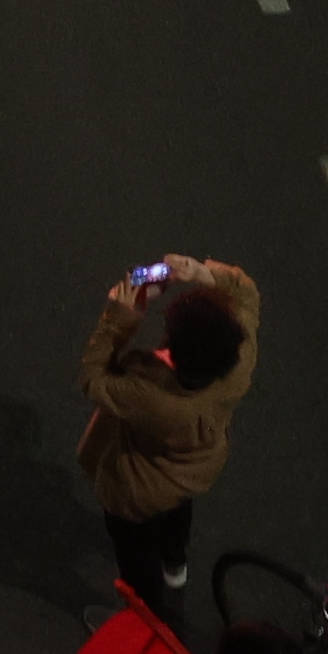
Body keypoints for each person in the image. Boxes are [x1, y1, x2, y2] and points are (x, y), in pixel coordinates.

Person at [70, 255, 256, 616]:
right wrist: (205, 274)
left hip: (140, 494)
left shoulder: (151, 396)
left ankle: (148, 614)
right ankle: (175, 568)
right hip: (194, 469)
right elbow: (246, 295)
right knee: (176, 514)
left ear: (174, 347)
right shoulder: (238, 367)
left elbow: (94, 378)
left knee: (136, 557)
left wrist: (119, 317)